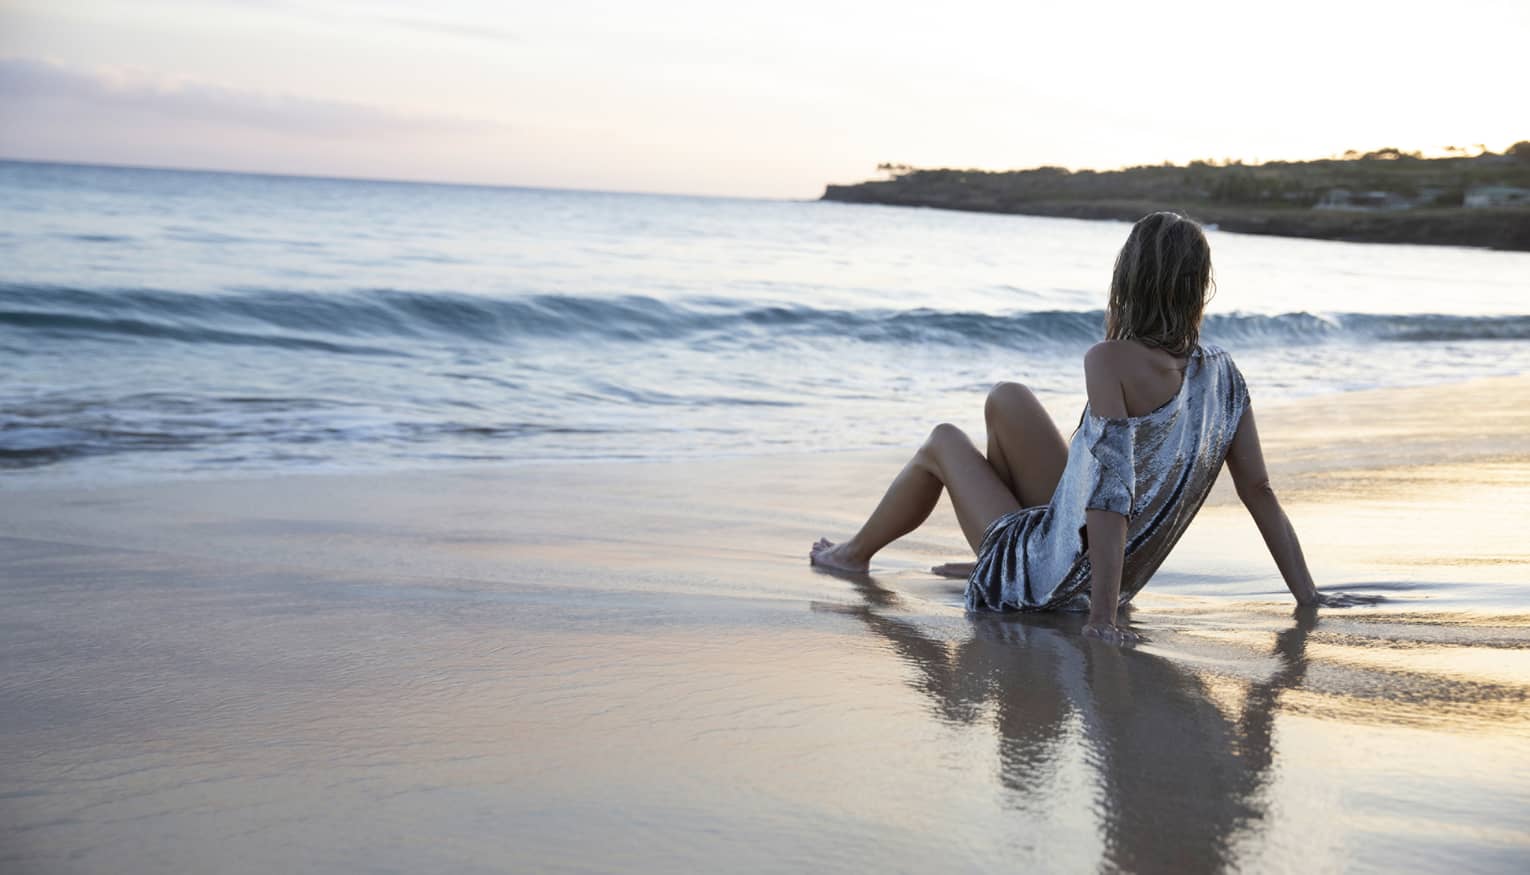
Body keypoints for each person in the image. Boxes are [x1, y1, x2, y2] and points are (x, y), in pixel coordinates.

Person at [809, 211, 1329, 644]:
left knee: (943, 439)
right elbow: (1258, 489)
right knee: (1006, 398)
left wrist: (1101, 619)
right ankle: (995, 548)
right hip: (1110, 576)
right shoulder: (1224, 374)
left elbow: (1109, 492)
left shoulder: (1110, 360)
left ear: (1128, 279)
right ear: (1199, 287)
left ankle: (853, 555)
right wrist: (1308, 596)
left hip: (1048, 586)